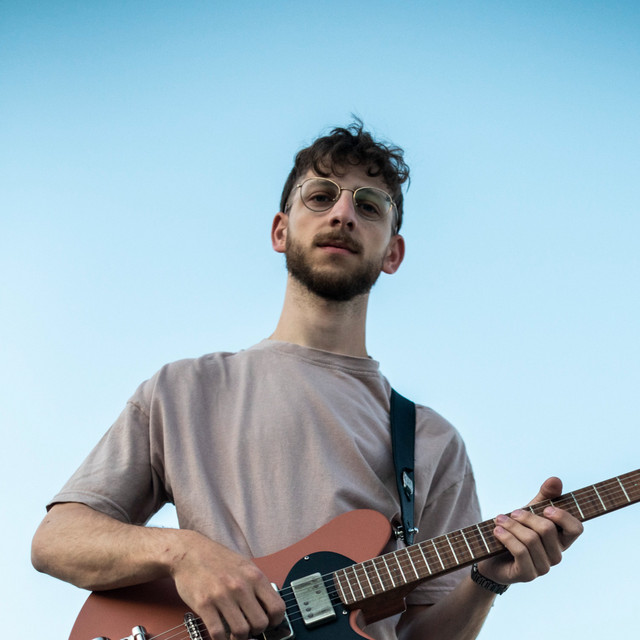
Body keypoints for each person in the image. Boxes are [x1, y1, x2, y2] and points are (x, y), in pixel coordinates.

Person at [31, 121, 584, 640]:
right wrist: (182, 553)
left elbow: (421, 633)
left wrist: (486, 579)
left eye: (369, 206)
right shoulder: (182, 390)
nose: (343, 214)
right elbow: (57, 540)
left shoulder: (430, 441)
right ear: (281, 230)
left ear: (393, 253)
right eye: (321, 197)